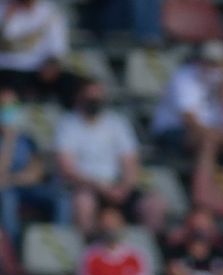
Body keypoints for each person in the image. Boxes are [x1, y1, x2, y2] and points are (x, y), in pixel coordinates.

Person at [54, 81, 140, 235]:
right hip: (84, 186)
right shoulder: (68, 124)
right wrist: (102, 187)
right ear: (80, 98)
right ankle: (89, 250)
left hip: (116, 185)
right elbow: (67, 169)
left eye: (98, 98)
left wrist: (125, 188)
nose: (94, 103)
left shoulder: (117, 123)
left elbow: (130, 162)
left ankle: (147, 250)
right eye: (90, 98)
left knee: (152, 204)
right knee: (84, 203)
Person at [0, 87, 66, 247]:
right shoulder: (10, 139)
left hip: (28, 187)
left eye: (12, 106)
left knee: (62, 197)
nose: (8, 111)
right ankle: (12, 250)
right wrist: (9, 141)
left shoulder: (27, 138)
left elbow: (35, 173)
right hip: (8, 191)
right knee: (7, 197)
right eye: (4, 107)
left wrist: (14, 178)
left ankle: (61, 244)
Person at [150, 40, 223, 158]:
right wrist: (216, 135)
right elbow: (189, 119)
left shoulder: (221, 78)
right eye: (209, 61)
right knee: (209, 142)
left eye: (217, 63)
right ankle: (204, 176)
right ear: (200, 60)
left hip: (207, 130)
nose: (213, 67)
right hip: (172, 131)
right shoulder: (183, 78)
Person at [0, 0, 72, 103]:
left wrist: (52, 65)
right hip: (4, 67)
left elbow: (58, 49)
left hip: (34, 70)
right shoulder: (3, 8)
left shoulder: (50, 13)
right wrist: (7, 18)